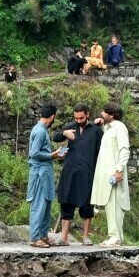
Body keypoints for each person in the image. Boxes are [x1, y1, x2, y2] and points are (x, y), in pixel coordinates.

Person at [52, 105, 101, 246]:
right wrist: (64, 134)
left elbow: (100, 151)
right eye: (76, 118)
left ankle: (85, 237)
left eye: (81, 118)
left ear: (87, 115)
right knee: (66, 202)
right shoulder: (70, 127)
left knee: (87, 204)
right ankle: (64, 237)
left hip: (87, 172)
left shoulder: (96, 130)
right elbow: (56, 137)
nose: (79, 121)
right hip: (70, 171)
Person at [90, 103, 130, 246]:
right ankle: (115, 236)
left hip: (114, 172)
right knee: (109, 204)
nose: (101, 113)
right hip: (108, 172)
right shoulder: (109, 128)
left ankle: (115, 236)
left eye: (104, 112)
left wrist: (119, 169)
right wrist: (101, 124)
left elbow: (124, 149)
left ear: (111, 115)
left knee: (114, 204)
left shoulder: (119, 128)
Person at [26, 102, 57, 248]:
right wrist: (53, 155)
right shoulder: (39, 131)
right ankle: (34, 237)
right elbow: (34, 153)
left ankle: (43, 235)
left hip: (45, 172)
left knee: (46, 203)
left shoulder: (43, 130)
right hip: (39, 172)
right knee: (38, 204)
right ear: (52, 116)